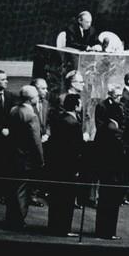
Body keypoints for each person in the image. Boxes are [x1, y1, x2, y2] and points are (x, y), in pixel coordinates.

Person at [5, 85, 44, 231]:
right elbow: (36, 140)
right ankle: (18, 221)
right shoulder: (31, 115)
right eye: (36, 96)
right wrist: (41, 160)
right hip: (25, 159)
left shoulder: (13, 110)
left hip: (12, 155)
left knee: (12, 189)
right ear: (31, 98)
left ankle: (10, 218)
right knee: (22, 191)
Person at [46, 93, 83, 235]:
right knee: (66, 199)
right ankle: (63, 228)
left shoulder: (58, 119)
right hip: (68, 166)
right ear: (76, 106)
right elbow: (76, 149)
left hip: (56, 164)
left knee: (56, 197)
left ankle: (53, 226)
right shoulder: (73, 123)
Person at [93, 83, 125, 239]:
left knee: (112, 196)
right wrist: (115, 130)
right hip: (106, 155)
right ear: (110, 95)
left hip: (115, 157)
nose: (119, 99)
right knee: (107, 195)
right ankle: (105, 230)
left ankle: (108, 230)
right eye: (117, 96)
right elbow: (101, 128)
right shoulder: (102, 107)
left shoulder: (120, 108)